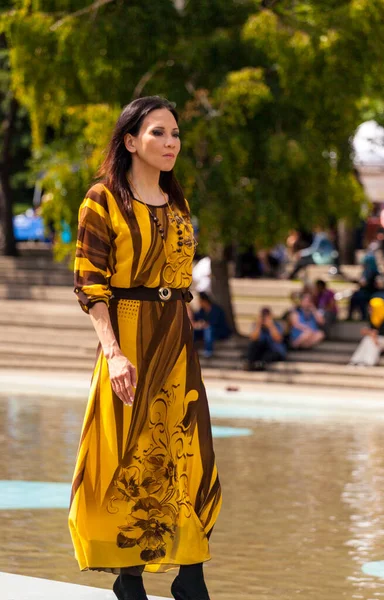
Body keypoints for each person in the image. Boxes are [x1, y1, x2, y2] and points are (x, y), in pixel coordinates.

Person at [68, 96, 222, 600]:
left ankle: (191, 574)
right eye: (159, 132)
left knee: (185, 452)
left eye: (175, 133)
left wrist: (187, 339)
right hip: (128, 332)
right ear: (131, 141)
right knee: (127, 455)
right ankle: (129, 577)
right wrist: (113, 352)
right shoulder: (101, 200)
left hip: (176, 337)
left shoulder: (178, 204)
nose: (171, 141)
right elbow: (90, 283)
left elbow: (179, 280)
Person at [349, 298, 384, 366]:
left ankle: (368, 362)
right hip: (377, 340)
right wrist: (369, 332)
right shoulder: (373, 318)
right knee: (368, 339)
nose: (369, 309)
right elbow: (374, 333)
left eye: (371, 307)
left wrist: (371, 334)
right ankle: (356, 361)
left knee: (371, 340)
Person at [193, 291, 231, 358]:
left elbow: (215, 322)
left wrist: (204, 324)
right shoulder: (201, 311)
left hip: (218, 331)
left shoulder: (216, 309)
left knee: (208, 329)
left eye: (200, 301)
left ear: (204, 301)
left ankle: (208, 351)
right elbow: (196, 319)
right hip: (204, 330)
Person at [347, 252, 380, 320]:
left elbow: (371, 284)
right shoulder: (365, 272)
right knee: (355, 296)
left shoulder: (375, 273)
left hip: (371, 293)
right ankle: (350, 316)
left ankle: (364, 316)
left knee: (360, 297)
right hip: (364, 291)